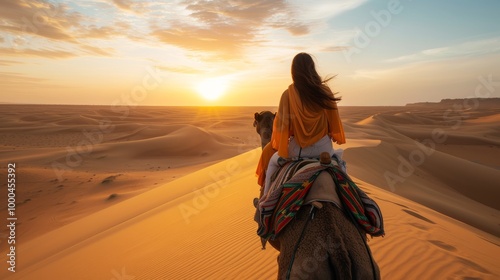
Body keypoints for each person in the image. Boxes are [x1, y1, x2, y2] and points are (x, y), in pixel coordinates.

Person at [256, 52, 346, 196]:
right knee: (341, 168)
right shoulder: (324, 91)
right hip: (324, 150)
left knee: (272, 163)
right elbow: (333, 124)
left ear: (294, 71)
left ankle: (264, 203)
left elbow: (281, 130)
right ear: (312, 68)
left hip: (299, 150)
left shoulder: (288, 94)